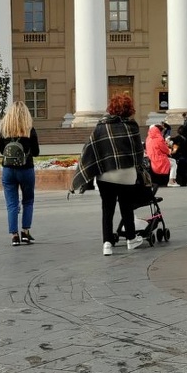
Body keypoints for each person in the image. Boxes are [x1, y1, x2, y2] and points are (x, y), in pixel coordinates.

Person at [70, 94, 147, 254]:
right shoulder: (132, 126)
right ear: (129, 109)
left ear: (111, 108)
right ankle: (131, 240)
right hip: (127, 175)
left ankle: (107, 244)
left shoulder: (101, 127)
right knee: (127, 208)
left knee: (107, 209)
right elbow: (138, 153)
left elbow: (90, 150)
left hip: (106, 175)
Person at [0, 100, 40, 246]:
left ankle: (14, 235)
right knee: (28, 201)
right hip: (26, 169)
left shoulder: (4, 130)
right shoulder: (30, 130)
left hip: (8, 170)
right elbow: (36, 152)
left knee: (12, 204)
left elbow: (2, 151)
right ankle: (26, 232)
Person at [145, 122, 171, 189]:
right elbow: (165, 149)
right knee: (173, 163)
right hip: (159, 158)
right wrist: (169, 151)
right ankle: (172, 180)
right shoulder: (159, 138)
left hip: (151, 158)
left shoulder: (148, 138)